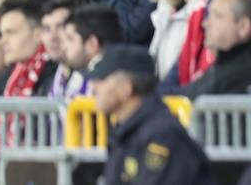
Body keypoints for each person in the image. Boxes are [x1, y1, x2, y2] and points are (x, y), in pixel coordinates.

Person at [90, 44, 214, 185]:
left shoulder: (161, 134)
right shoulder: (125, 131)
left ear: (126, 88)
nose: (94, 87)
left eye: (101, 80)